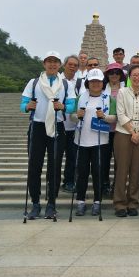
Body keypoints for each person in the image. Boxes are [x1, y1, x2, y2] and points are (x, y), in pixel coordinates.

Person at [20, 51, 76, 220]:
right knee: (34, 167)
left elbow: (72, 105)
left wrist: (64, 106)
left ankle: (51, 204)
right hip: (37, 126)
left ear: (60, 65)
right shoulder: (34, 82)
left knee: (54, 167)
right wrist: (27, 106)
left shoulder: (65, 84)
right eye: (49, 61)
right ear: (44, 64)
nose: (52, 65)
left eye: (55, 62)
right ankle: (35, 203)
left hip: (57, 127)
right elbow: (23, 103)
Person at [73, 68, 117, 216]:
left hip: (101, 141)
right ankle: (81, 201)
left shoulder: (108, 98)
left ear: (102, 83)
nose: (96, 84)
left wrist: (104, 116)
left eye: (98, 81)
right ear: (88, 83)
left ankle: (97, 201)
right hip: (82, 140)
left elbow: (114, 118)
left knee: (98, 172)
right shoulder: (80, 97)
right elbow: (72, 116)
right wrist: (76, 115)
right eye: (92, 81)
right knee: (82, 172)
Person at [113, 65, 139, 217]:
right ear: (129, 76)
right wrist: (132, 132)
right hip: (123, 133)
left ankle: (133, 202)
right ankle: (120, 204)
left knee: (136, 170)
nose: (137, 78)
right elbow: (120, 114)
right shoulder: (122, 92)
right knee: (122, 170)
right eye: (134, 75)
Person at [102, 62, 126, 195]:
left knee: (119, 159)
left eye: (117, 72)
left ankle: (118, 184)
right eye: (111, 73)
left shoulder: (126, 88)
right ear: (107, 75)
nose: (114, 75)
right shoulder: (101, 88)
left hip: (120, 129)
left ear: (121, 75)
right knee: (105, 158)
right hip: (104, 129)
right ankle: (105, 183)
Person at [60, 55, 80, 193]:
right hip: (58, 124)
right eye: (70, 64)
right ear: (64, 65)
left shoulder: (79, 83)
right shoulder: (56, 81)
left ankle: (69, 181)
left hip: (73, 127)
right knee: (55, 156)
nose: (72, 67)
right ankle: (53, 180)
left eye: (75, 65)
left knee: (72, 157)